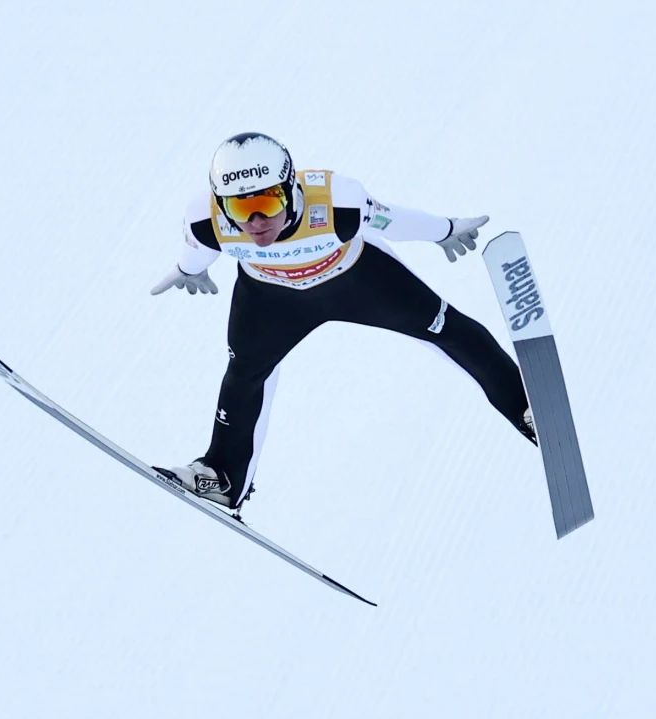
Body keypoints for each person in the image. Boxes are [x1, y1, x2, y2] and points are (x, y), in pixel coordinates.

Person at [151, 132, 535, 513]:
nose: (255, 222)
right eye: (239, 208)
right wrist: (187, 270)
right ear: (221, 204)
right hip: (271, 301)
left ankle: (526, 407)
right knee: (244, 374)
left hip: (357, 281)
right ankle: (223, 476)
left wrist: (445, 230)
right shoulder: (205, 219)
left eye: (267, 202)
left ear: (290, 187)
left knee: (448, 329)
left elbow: (392, 221)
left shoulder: (337, 202)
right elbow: (196, 251)